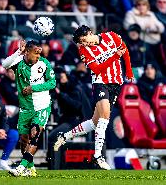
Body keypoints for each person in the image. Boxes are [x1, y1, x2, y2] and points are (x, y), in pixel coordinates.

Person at [53, 25, 134, 170]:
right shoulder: (83, 50)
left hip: (116, 83)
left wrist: (128, 70)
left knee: (95, 122)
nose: (84, 44)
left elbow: (125, 50)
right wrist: (115, 56)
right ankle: (98, 156)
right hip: (100, 83)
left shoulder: (112, 36)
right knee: (104, 119)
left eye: (85, 40)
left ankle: (64, 137)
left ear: (90, 33)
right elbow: (97, 69)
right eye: (81, 42)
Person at [2, 40, 56, 176]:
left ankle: (21, 168)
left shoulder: (44, 63)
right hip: (25, 107)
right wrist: (17, 52)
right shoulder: (19, 62)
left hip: (42, 105)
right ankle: (30, 169)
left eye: (40, 53)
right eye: (36, 53)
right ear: (27, 52)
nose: (38, 56)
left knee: (34, 134)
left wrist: (34, 88)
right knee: (24, 139)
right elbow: (5, 64)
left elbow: (52, 83)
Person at [47, 67, 92, 169]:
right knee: (53, 136)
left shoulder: (75, 87)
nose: (60, 79)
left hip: (77, 120)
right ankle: (55, 163)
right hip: (67, 119)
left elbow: (76, 105)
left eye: (61, 76)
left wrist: (60, 94)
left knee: (52, 137)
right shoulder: (60, 87)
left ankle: (55, 164)